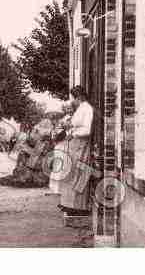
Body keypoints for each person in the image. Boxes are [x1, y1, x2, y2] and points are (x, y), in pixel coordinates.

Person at [59, 86, 94, 217]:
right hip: (75, 144)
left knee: (78, 174)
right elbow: (75, 125)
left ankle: (79, 206)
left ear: (79, 97)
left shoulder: (87, 109)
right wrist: (69, 128)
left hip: (81, 145)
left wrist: (74, 134)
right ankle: (69, 204)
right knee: (71, 173)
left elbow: (87, 130)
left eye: (74, 98)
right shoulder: (80, 109)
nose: (72, 101)